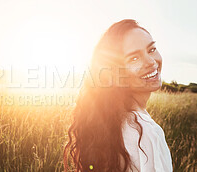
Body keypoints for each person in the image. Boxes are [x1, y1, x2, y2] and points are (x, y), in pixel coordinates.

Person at [63, 19, 173, 172]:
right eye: (134, 58)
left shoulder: (112, 123)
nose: (150, 62)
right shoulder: (146, 132)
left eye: (151, 49)